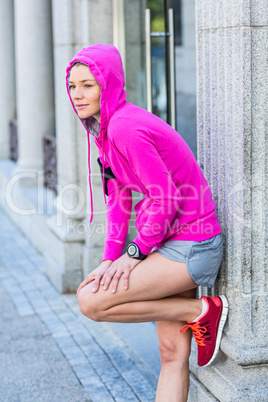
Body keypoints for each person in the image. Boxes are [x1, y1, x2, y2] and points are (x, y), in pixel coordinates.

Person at [66, 44, 228, 402]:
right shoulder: (104, 133)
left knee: (91, 301)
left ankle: (200, 310)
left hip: (193, 245)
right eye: (73, 85)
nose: (78, 94)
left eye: (88, 85)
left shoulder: (124, 126)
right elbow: (119, 201)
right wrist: (110, 258)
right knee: (172, 355)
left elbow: (167, 196)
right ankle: (197, 313)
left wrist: (134, 252)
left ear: (107, 84)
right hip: (169, 245)